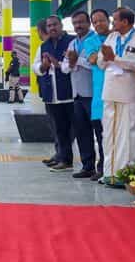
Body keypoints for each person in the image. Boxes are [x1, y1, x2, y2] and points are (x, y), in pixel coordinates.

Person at [97, 7, 135, 186]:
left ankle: (129, 175)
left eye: (115, 20)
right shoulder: (111, 37)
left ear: (125, 22)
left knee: (130, 136)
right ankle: (109, 174)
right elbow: (100, 62)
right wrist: (106, 58)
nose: (112, 24)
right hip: (110, 91)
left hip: (129, 92)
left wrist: (116, 59)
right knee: (109, 134)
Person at [60, 11, 100, 179]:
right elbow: (64, 68)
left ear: (89, 23)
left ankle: (102, 168)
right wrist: (72, 62)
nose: (78, 26)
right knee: (82, 132)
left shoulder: (96, 40)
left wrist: (77, 61)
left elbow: (97, 64)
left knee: (100, 133)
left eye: (81, 22)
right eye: (75, 23)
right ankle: (87, 166)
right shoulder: (73, 43)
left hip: (94, 94)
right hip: (77, 95)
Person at [35, 16, 76, 171]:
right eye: (49, 25)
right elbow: (35, 66)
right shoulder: (44, 46)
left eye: (55, 25)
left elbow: (70, 65)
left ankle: (71, 160)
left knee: (74, 129)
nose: (52, 28)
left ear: (61, 25)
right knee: (58, 129)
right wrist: (43, 66)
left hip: (69, 94)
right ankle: (62, 157)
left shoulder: (71, 41)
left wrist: (57, 64)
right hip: (51, 95)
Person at [85, 9, 110, 181]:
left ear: (108, 20)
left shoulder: (117, 37)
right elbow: (93, 59)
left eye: (101, 20)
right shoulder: (90, 41)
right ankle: (102, 168)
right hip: (100, 95)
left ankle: (115, 168)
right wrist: (107, 53)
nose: (98, 24)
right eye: (95, 22)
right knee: (101, 135)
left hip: (119, 92)